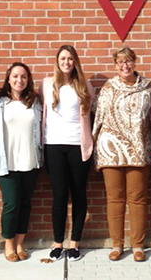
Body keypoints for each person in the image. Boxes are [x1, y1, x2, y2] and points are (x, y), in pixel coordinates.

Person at [92, 47, 151, 262]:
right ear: (115, 65)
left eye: (128, 61)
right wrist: (92, 147)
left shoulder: (148, 88)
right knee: (115, 199)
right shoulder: (108, 88)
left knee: (137, 199)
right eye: (120, 62)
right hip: (111, 151)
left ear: (135, 62)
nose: (124, 66)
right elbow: (98, 117)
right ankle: (117, 244)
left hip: (138, 149)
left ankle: (138, 245)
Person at [40, 45, 94, 262]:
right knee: (59, 196)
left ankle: (75, 244)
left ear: (75, 62)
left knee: (79, 194)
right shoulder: (46, 84)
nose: (66, 62)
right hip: (53, 146)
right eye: (63, 58)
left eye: (70, 58)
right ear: (57, 60)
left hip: (77, 146)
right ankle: (57, 243)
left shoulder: (85, 85)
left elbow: (92, 114)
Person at [0, 62, 42, 262]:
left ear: (28, 80)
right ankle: (9, 244)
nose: (19, 80)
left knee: (26, 204)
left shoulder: (34, 102)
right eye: (15, 76)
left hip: (30, 160)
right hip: (6, 162)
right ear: (8, 79)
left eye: (23, 77)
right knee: (11, 204)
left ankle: (20, 243)